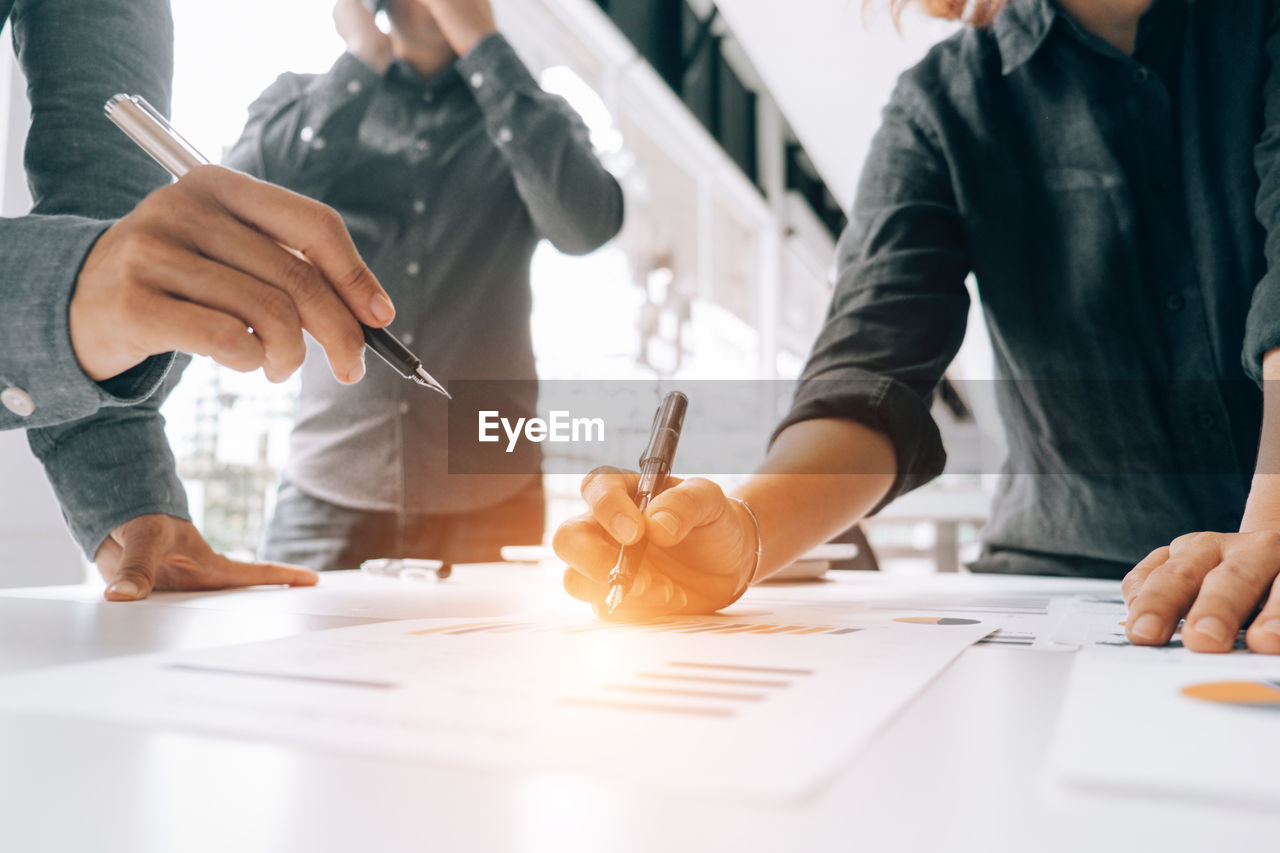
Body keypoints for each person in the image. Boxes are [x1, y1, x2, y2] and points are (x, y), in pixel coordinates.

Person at [553, 0, 1280, 654]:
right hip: (1067, 594)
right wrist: (742, 536)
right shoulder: (942, 106)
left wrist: (1266, 536)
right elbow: (868, 375)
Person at [0, 0, 402, 599]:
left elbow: (109, 219)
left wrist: (133, 495)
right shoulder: (302, 100)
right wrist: (64, 292)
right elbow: (104, 266)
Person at [224, 0, 623, 571]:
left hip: (491, 492)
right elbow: (233, 208)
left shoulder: (533, 115)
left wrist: (485, 48)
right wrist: (361, 59)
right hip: (328, 490)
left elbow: (586, 227)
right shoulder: (305, 98)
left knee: (493, 663)